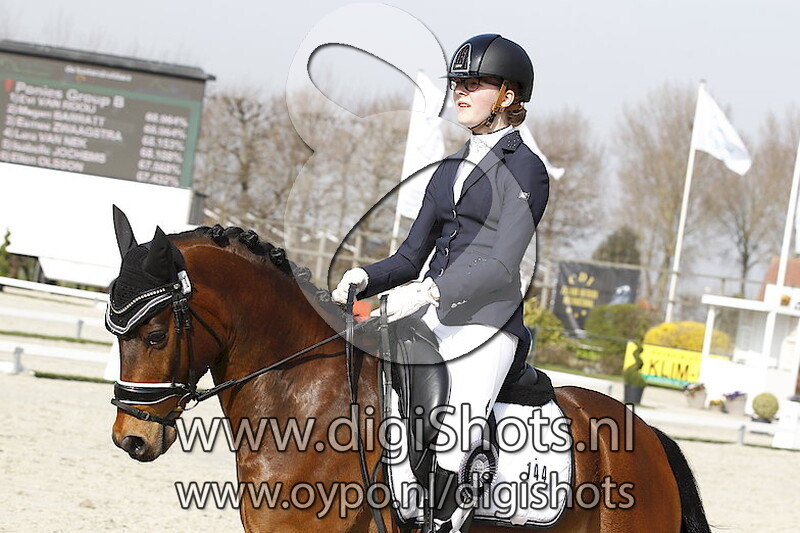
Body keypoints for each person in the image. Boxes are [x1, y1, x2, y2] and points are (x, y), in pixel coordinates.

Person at [333, 33, 549, 533]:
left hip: (486, 325)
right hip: (425, 310)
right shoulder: (448, 168)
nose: (460, 92)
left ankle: (444, 523)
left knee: (455, 433)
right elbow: (412, 256)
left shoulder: (527, 170)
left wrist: (429, 291)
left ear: (507, 96)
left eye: (473, 84)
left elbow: (501, 264)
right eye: (458, 84)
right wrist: (365, 277)